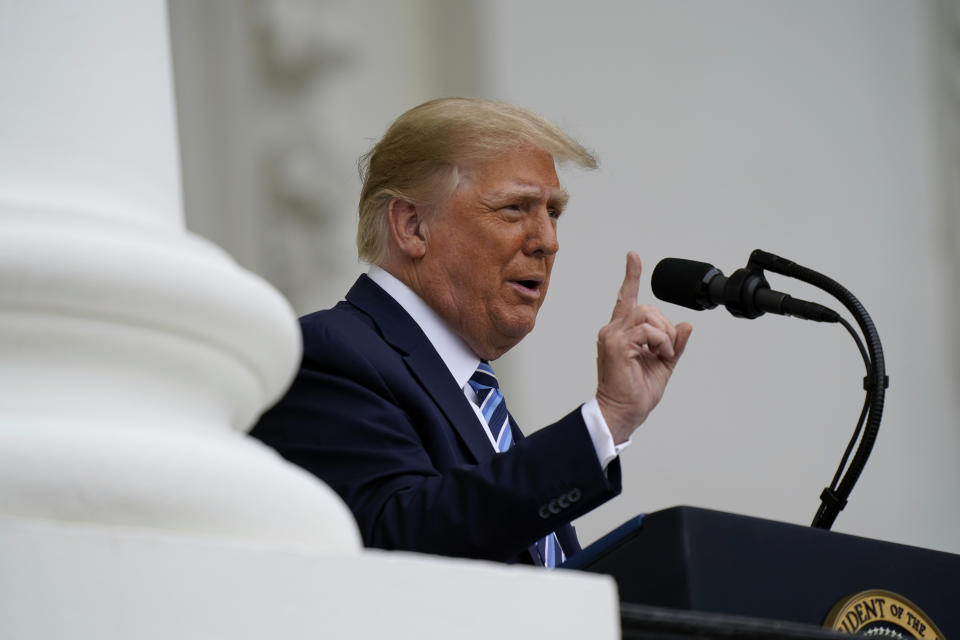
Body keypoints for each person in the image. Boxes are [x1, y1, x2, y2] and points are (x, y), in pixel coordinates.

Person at [251, 97, 692, 565]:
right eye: (514, 208)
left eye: (554, 211)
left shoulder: (473, 393)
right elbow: (402, 541)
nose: (548, 240)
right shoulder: (329, 354)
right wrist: (604, 420)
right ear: (413, 226)